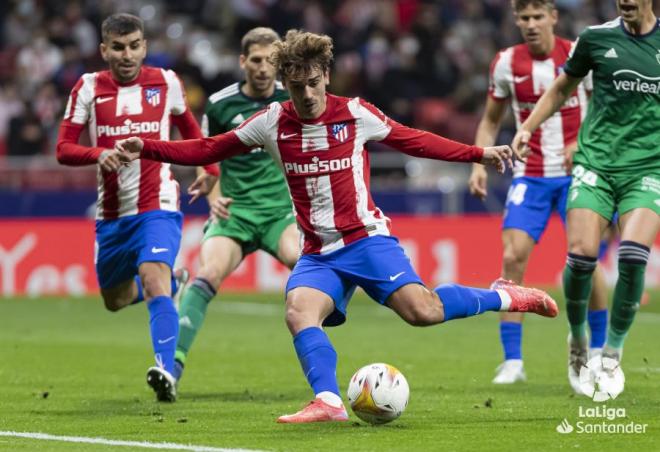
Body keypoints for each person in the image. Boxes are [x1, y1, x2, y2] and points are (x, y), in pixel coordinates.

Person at [116, 30, 560, 424]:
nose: (306, 93)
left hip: (366, 240)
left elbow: (415, 140)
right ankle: (328, 399)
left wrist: (477, 154)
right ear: (284, 84)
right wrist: (148, 148)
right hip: (317, 251)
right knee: (298, 311)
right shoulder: (271, 122)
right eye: (296, 85)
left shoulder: (355, 113)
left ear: (326, 75)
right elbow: (208, 147)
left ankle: (507, 294)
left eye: (313, 82)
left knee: (423, 312)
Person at [55, 13, 219, 402]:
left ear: (144, 46)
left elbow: (193, 133)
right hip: (112, 214)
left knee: (151, 277)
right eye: (118, 47)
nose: (127, 55)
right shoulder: (88, 88)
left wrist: (209, 168)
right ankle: (175, 283)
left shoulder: (166, 82)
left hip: (157, 201)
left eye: (134, 46)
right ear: (104, 50)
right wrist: (99, 154)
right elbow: (63, 149)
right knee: (114, 300)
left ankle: (166, 371)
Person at [510, 0, 659, 394]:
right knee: (581, 258)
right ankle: (577, 339)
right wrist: (527, 127)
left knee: (631, 254)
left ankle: (611, 352)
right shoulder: (596, 39)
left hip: (647, 169)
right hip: (596, 164)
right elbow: (562, 87)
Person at [468, 0, 609, 386]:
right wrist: (479, 162)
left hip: (577, 172)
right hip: (529, 176)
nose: (530, 24)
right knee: (512, 257)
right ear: (516, 20)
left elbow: (602, 108)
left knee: (586, 258)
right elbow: (490, 120)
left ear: (553, 17)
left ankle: (598, 351)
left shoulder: (579, 54)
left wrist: (583, 142)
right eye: (523, 18)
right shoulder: (506, 63)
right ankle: (512, 360)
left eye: (537, 16)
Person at [173, 27, 300, 382]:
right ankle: (173, 362)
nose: (263, 68)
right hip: (235, 212)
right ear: (243, 61)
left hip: (279, 212)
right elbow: (204, 153)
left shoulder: (293, 99)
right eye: (256, 60)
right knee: (208, 273)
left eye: (270, 61)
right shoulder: (220, 104)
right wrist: (214, 199)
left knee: (303, 262)